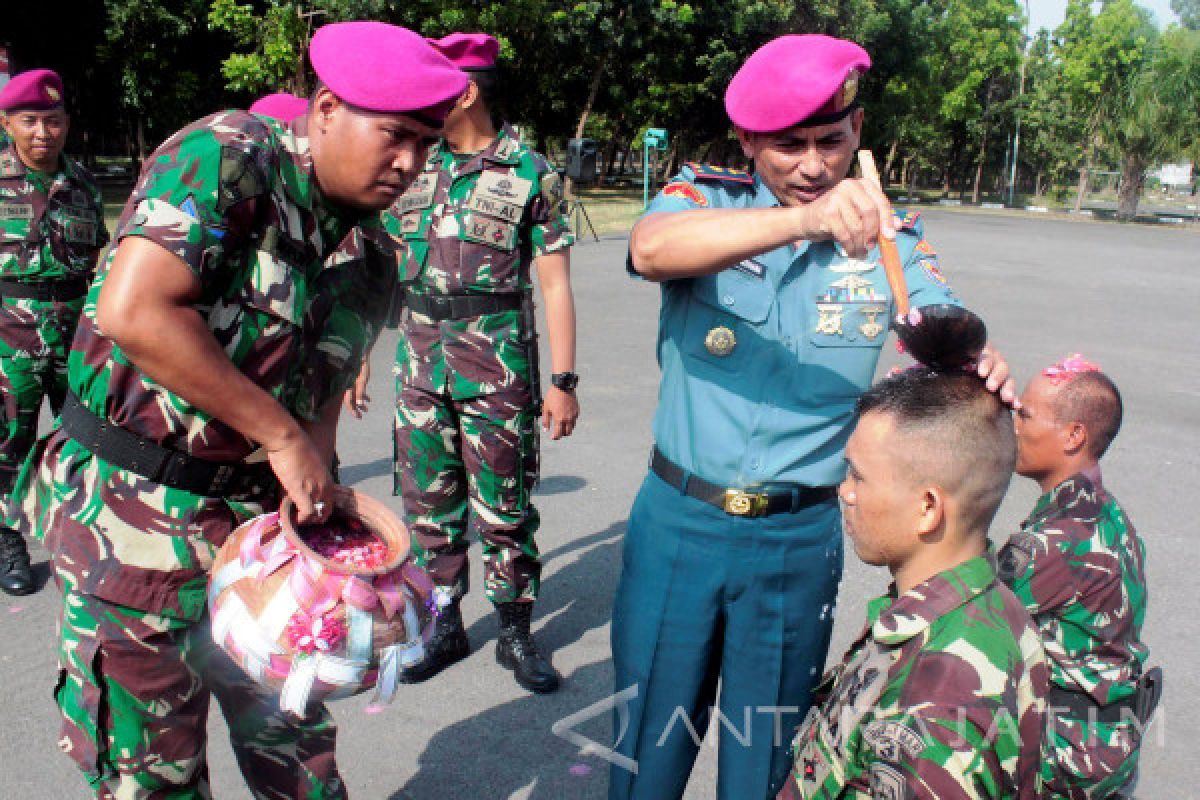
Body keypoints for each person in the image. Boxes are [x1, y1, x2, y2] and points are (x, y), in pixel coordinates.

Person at [10, 22, 466, 797]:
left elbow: (316, 411)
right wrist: (281, 435)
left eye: (427, 145)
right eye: (394, 136)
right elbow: (136, 310)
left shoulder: (372, 258)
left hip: (261, 553)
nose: (410, 164)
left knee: (303, 768)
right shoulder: (228, 155)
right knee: (152, 778)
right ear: (325, 109)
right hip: (128, 528)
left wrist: (339, 555)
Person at [610, 34, 1018, 800]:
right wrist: (807, 221)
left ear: (857, 132)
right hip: (678, 525)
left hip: (795, 543)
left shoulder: (893, 241)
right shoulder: (705, 202)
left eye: (831, 142)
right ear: (747, 144)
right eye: (787, 146)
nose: (811, 165)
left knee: (767, 766)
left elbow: (939, 320)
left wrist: (978, 356)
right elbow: (653, 247)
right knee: (645, 757)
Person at [366, 32, 578, 694]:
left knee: (505, 506)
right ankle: (446, 624)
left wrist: (565, 381)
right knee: (430, 500)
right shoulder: (412, 166)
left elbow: (555, 285)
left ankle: (515, 629)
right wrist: (358, 367)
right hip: (420, 362)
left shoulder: (530, 171)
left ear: (465, 90)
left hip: (498, 365)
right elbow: (384, 276)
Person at [778, 368, 1047, 799]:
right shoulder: (977, 606)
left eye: (858, 477)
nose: (844, 492)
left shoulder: (936, 701)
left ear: (927, 507)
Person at [999, 354, 1154, 798]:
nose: (1014, 426)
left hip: (1068, 763)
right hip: (1108, 743)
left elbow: (964, 607)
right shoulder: (1104, 510)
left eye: (1025, 416)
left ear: (1073, 435)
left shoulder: (1060, 539)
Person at [0, 68, 108, 596]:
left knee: (85, 435)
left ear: (66, 122)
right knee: (7, 443)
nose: (42, 132)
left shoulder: (83, 183)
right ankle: (7, 540)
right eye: (29, 120)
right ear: (7, 122)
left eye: (52, 119)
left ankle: (77, 534)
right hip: (7, 334)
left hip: (75, 331)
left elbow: (98, 259)